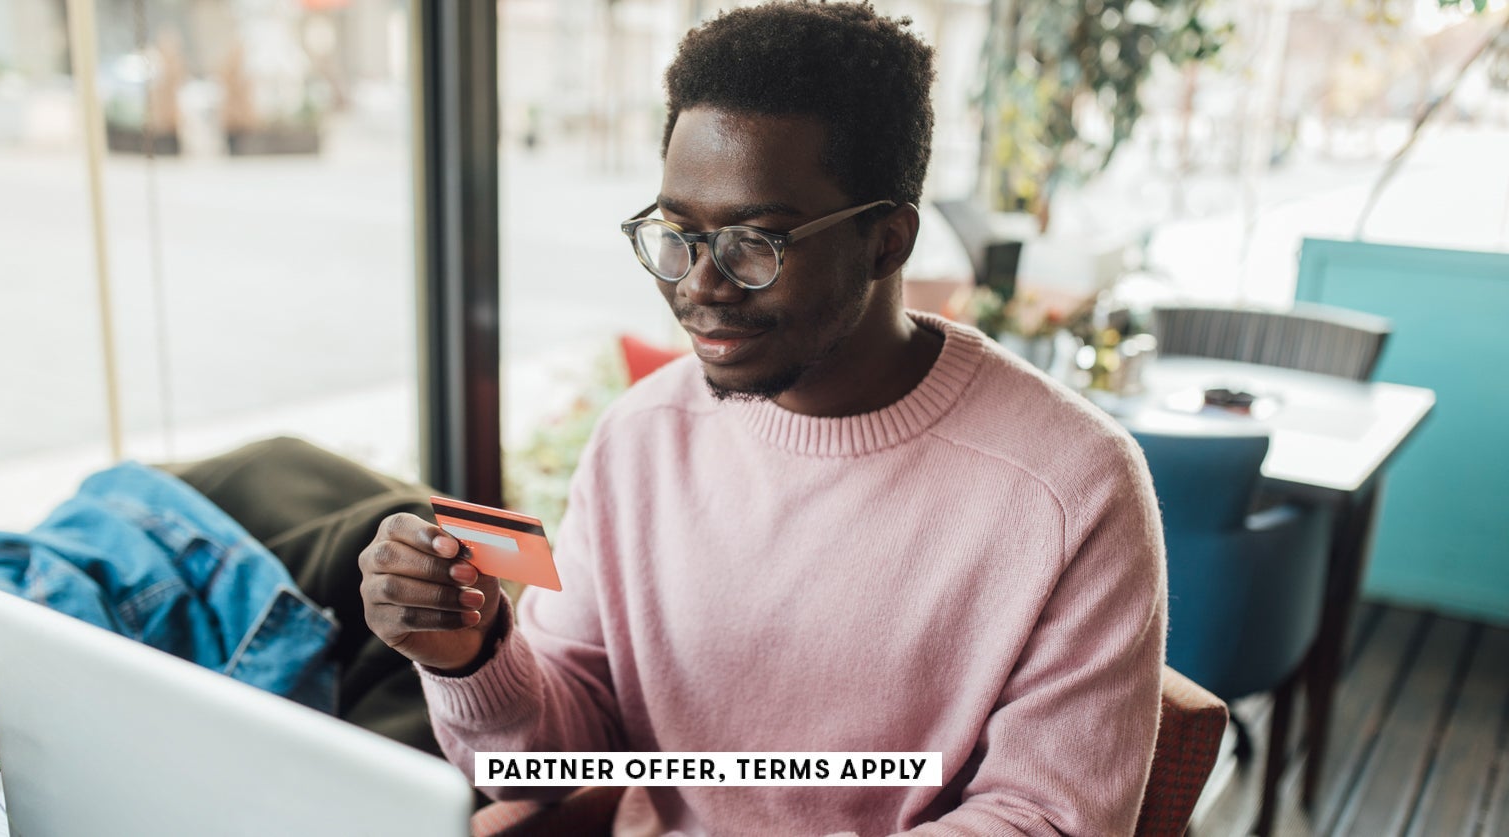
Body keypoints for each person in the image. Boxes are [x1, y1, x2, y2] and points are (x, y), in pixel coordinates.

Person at [360, 2, 1167, 834]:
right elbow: (560, 764)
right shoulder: (639, 437)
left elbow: (1047, 819)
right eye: (678, 231)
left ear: (888, 242)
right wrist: (472, 653)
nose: (698, 286)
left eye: (756, 242)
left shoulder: (1072, 485)